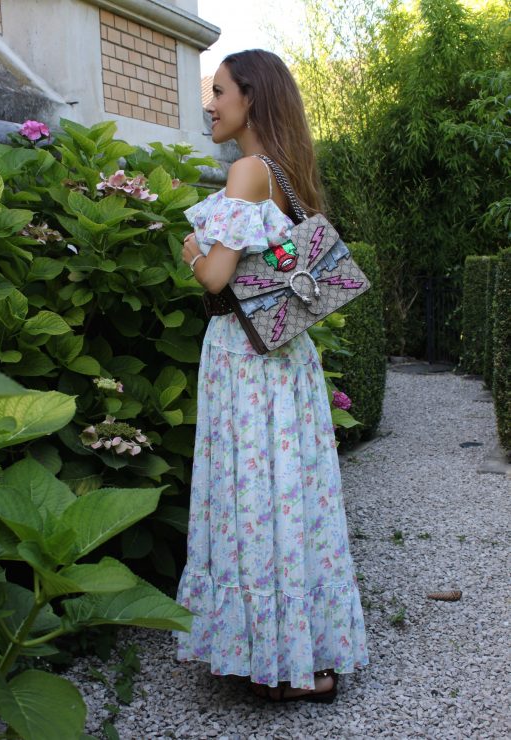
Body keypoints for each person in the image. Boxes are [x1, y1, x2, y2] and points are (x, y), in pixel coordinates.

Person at [177, 49, 368, 702]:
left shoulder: (248, 172)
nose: (210, 104)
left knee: (252, 495)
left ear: (251, 97)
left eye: (220, 91)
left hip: (246, 359)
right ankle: (300, 654)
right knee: (284, 497)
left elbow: (216, 278)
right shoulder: (283, 173)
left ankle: (281, 659)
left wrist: (194, 251)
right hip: (282, 361)